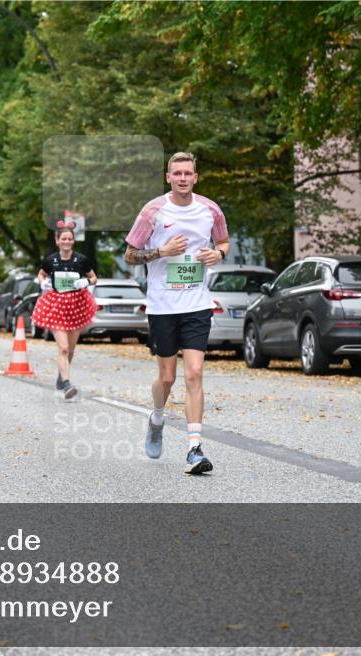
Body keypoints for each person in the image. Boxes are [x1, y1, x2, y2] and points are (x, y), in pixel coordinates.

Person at [124, 151, 229, 475]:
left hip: (197, 304)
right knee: (167, 377)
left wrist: (216, 254)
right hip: (162, 306)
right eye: (177, 173)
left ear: (196, 177)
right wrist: (162, 252)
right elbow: (129, 255)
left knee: (194, 373)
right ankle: (156, 418)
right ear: (168, 177)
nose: (183, 178)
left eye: (188, 173)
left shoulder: (210, 209)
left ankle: (194, 448)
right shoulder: (153, 211)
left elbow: (223, 242)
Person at [31, 220, 98, 399]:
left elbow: (93, 278)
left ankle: (62, 376)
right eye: (64, 239)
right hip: (56, 306)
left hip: (77, 306)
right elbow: (41, 274)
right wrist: (42, 282)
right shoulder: (51, 260)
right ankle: (67, 385)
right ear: (57, 240)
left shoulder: (81, 260)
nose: (67, 242)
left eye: (70, 239)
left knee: (72, 349)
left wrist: (86, 281)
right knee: (63, 348)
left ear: (73, 241)